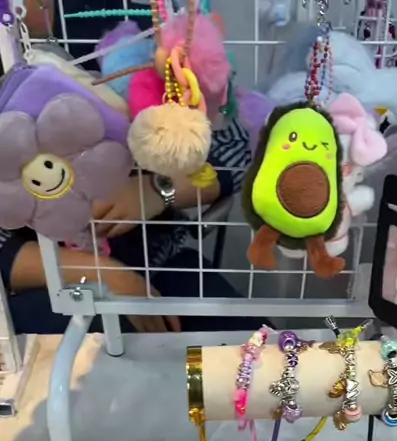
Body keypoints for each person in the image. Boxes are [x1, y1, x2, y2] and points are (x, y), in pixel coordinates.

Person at [1, 0, 261, 334]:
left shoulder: (128, 23)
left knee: (252, 352)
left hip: (158, 262)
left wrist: (157, 189)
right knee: (111, 354)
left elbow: (237, 146)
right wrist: (109, 275)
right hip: (41, 283)